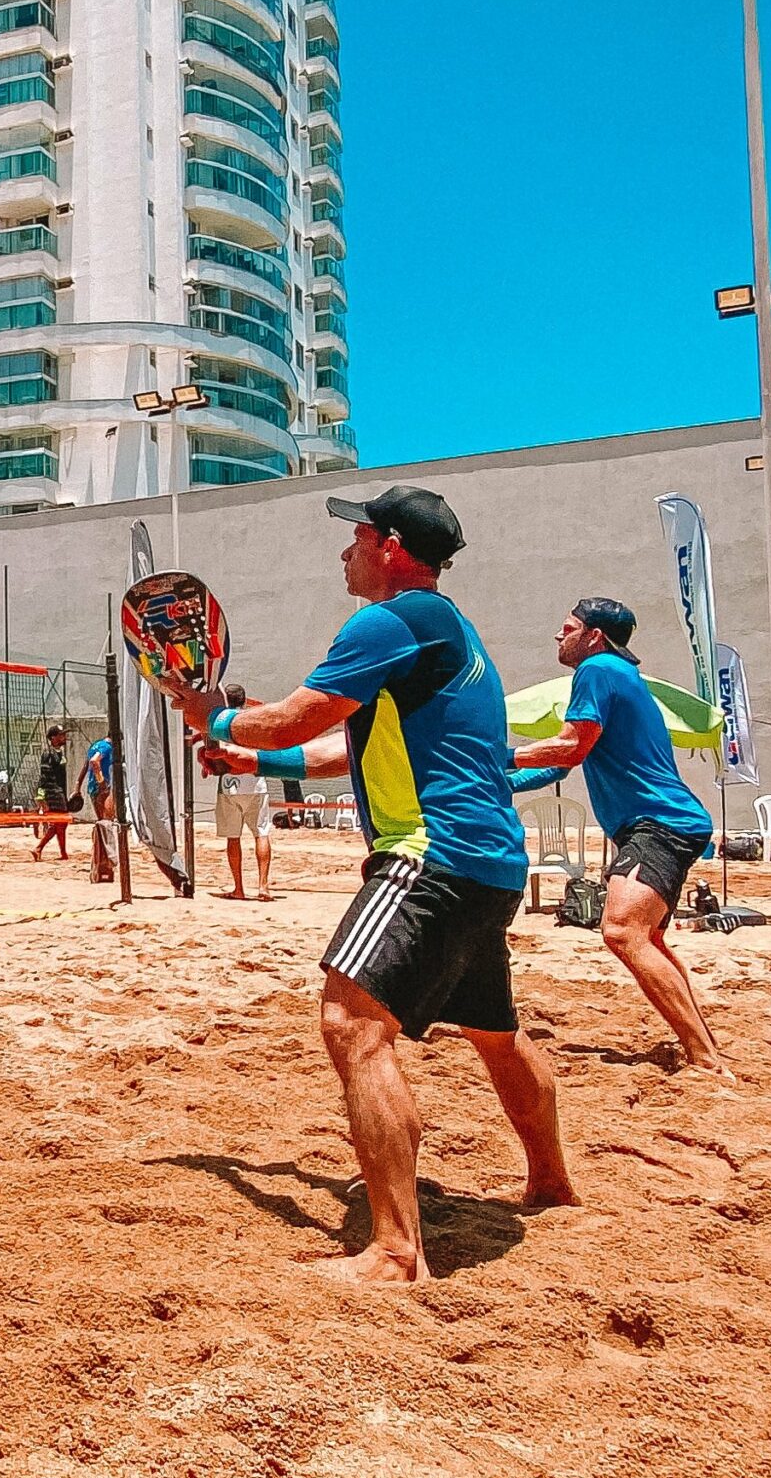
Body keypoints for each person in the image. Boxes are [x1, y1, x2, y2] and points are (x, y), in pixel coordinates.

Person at [200, 485, 576, 1282]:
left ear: (393, 548)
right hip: (489, 863)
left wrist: (219, 718)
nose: (346, 551)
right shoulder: (453, 632)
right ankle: (550, 1181)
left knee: (350, 1023)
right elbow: (345, 747)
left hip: (426, 856)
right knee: (495, 1033)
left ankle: (397, 1252)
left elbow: (302, 714)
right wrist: (253, 760)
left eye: (358, 537)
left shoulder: (393, 620)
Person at [509, 599, 730, 1079]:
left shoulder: (598, 669)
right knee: (645, 936)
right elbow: (565, 761)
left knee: (621, 932)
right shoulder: (616, 673)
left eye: (566, 628)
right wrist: (497, 781)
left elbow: (570, 744)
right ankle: (704, 1045)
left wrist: (497, 759)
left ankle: (707, 1061)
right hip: (662, 822)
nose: (557, 636)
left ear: (593, 635)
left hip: (660, 822)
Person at [211, 685, 273, 901]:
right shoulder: (254, 720)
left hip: (230, 784)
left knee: (233, 837)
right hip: (255, 781)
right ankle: (263, 886)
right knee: (261, 833)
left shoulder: (222, 721)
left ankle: (239, 887)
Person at [31, 725, 72, 861]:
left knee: (60, 823)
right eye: (61, 735)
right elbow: (44, 776)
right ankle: (39, 848)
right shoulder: (48, 754)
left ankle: (63, 853)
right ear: (53, 738)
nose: (64, 737)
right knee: (60, 822)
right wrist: (41, 795)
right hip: (53, 792)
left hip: (60, 791)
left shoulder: (59, 752)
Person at [81, 732, 117, 883]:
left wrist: (77, 786)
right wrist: (101, 781)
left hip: (93, 788)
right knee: (107, 823)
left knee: (103, 824)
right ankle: (106, 863)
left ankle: (102, 865)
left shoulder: (95, 744)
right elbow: (94, 762)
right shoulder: (107, 747)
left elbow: (85, 765)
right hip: (101, 789)